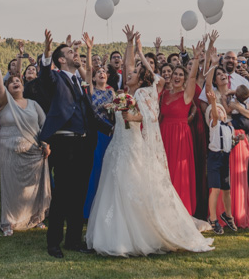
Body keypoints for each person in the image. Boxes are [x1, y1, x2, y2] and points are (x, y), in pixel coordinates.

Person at [86, 25, 213, 256]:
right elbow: (128, 64)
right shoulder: (125, 94)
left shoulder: (144, 93)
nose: (129, 74)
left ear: (139, 79)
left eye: (133, 74)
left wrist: (130, 116)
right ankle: (113, 235)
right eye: (129, 73)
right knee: (114, 188)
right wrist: (129, 43)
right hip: (118, 146)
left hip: (133, 146)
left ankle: (140, 234)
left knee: (132, 187)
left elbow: (147, 117)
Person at [38, 30, 110, 259]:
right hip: (64, 142)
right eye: (71, 52)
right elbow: (44, 76)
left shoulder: (80, 81)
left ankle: (73, 240)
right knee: (63, 194)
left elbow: (89, 112)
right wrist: (47, 52)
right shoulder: (55, 78)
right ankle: (54, 243)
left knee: (79, 193)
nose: (75, 54)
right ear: (61, 59)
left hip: (84, 143)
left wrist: (112, 128)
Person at [0, 53, 51, 234]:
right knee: (10, 187)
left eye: (18, 81)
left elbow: (45, 126)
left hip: (33, 152)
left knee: (34, 187)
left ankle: (35, 218)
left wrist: (45, 143)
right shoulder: (3, 103)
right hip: (9, 150)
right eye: (12, 82)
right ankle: (8, 221)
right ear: (8, 88)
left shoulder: (33, 104)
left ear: (23, 86)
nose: (15, 83)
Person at [159, 39, 204, 216]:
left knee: (179, 172)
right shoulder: (163, 94)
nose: (177, 77)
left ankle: (180, 212)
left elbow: (193, 76)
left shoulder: (187, 95)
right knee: (164, 173)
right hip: (163, 134)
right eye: (174, 74)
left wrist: (197, 57)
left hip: (180, 137)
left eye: (180, 75)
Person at [203, 42, 240, 235]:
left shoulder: (228, 126)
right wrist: (214, 104)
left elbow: (230, 139)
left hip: (225, 157)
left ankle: (228, 215)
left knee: (227, 189)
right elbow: (215, 113)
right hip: (215, 158)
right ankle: (213, 218)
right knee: (215, 189)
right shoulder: (215, 120)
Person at [83, 35, 114, 219]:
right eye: (98, 72)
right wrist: (89, 50)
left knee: (108, 170)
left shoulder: (111, 92)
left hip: (110, 133)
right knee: (95, 170)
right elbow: (87, 69)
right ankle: (90, 210)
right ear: (94, 78)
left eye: (104, 71)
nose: (102, 73)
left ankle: (106, 211)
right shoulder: (91, 90)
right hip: (95, 134)